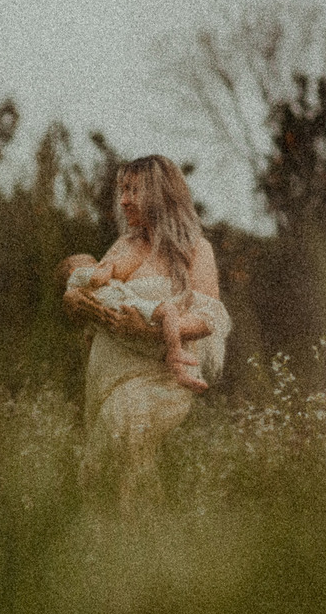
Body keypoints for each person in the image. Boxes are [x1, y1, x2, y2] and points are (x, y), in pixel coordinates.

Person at [61, 155, 230, 510]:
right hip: (109, 375)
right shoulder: (124, 246)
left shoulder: (197, 251)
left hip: (161, 376)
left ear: (161, 194)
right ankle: (126, 552)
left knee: (122, 442)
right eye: (122, 190)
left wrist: (152, 332)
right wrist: (75, 302)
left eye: (133, 190)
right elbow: (94, 292)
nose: (123, 200)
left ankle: (142, 546)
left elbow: (208, 317)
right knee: (114, 470)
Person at [60, 251, 208, 393]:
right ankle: (176, 352)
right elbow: (97, 278)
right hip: (126, 306)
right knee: (169, 310)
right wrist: (109, 267)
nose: (98, 264)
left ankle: (180, 374)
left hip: (121, 332)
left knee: (160, 348)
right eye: (92, 263)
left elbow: (89, 337)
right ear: (73, 271)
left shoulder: (87, 302)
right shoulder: (78, 277)